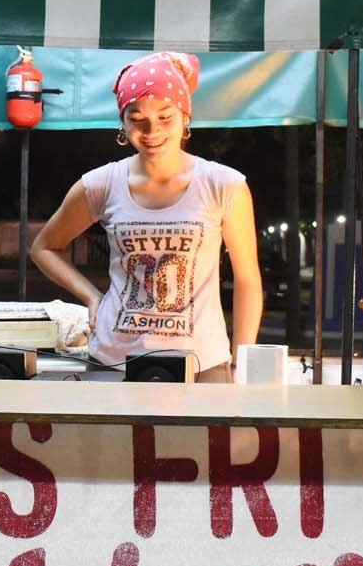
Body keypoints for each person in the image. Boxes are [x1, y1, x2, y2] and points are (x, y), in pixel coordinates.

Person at [30, 51, 262, 382]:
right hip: (114, 362)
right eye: (137, 118)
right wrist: (92, 297)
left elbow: (248, 280)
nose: (152, 130)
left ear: (185, 117)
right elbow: (44, 247)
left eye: (166, 117)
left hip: (201, 363)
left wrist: (242, 363)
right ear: (122, 123)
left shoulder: (224, 185)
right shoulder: (101, 184)